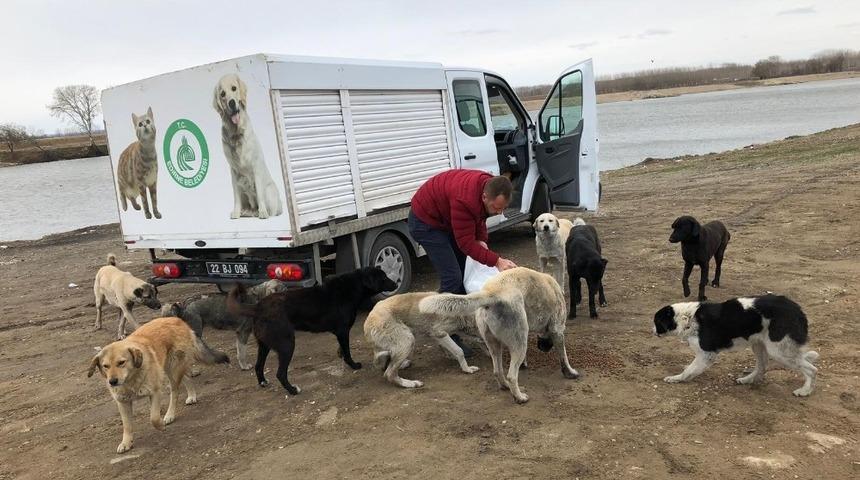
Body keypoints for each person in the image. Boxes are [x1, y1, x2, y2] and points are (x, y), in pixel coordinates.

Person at [408, 169, 518, 356]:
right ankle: (445, 336)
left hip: (445, 218)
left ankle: (460, 326)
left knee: (461, 270)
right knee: (452, 277)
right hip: (426, 222)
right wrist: (496, 261)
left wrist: (482, 240)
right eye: (497, 207)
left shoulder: (489, 185)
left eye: (502, 208)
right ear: (485, 197)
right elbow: (466, 243)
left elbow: (480, 218)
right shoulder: (464, 200)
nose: (499, 212)